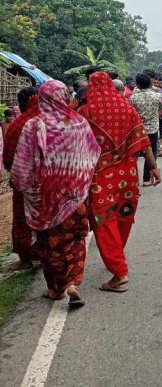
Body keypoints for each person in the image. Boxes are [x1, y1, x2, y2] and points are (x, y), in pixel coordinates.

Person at [10, 80, 100, 306]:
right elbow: (92, 155)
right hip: (76, 195)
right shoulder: (79, 123)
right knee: (77, 239)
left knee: (50, 244)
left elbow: (22, 166)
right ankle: (73, 283)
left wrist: (20, 186)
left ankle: (55, 289)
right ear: (64, 96)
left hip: (46, 198)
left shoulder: (35, 126)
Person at [79, 71, 161, 293]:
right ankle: (117, 258)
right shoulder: (126, 108)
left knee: (104, 220)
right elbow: (143, 141)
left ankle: (119, 271)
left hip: (100, 174)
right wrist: (153, 168)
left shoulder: (85, 112)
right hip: (128, 173)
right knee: (124, 214)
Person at [3, 87, 41, 271]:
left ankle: (25, 259)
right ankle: (47, 256)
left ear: (21, 102)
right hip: (47, 183)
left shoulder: (17, 125)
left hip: (23, 183)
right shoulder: (50, 121)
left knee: (23, 220)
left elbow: (8, 158)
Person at [130, 73, 162, 187]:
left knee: (134, 154)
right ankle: (146, 179)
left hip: (137, 129)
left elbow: (131, 113)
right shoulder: (157, 96)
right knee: (150, 153)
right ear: (150, 83)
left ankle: (131, 179)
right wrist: (156, 115)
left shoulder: (133, 98)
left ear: (138, 85)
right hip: (152, 129)